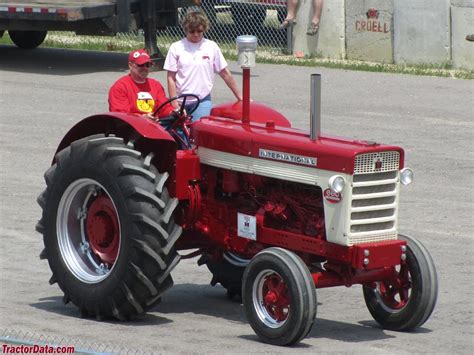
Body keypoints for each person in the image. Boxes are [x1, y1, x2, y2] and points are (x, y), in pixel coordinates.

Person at [163, 11, 243, 121]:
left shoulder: (211, 46)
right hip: (181, 99)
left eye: (199, 31)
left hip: (202, 100)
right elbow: (171, 78)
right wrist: (174, 103)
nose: (196, 34)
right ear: (186, 29)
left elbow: (225, 73)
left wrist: (240, 96)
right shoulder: (176, 47)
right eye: (192, 31)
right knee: (179, 133)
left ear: (204, 29)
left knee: (199, 129)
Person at [108, 49, 174, 118]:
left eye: (147, 65)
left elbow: (164, 108)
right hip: (130, 126)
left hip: (154, 125)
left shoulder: (155, 85)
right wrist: (142, 118)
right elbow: (121, 116)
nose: (145, 68)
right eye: (141, 65)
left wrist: (173, 112)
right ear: (130, 65)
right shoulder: (120, 87)